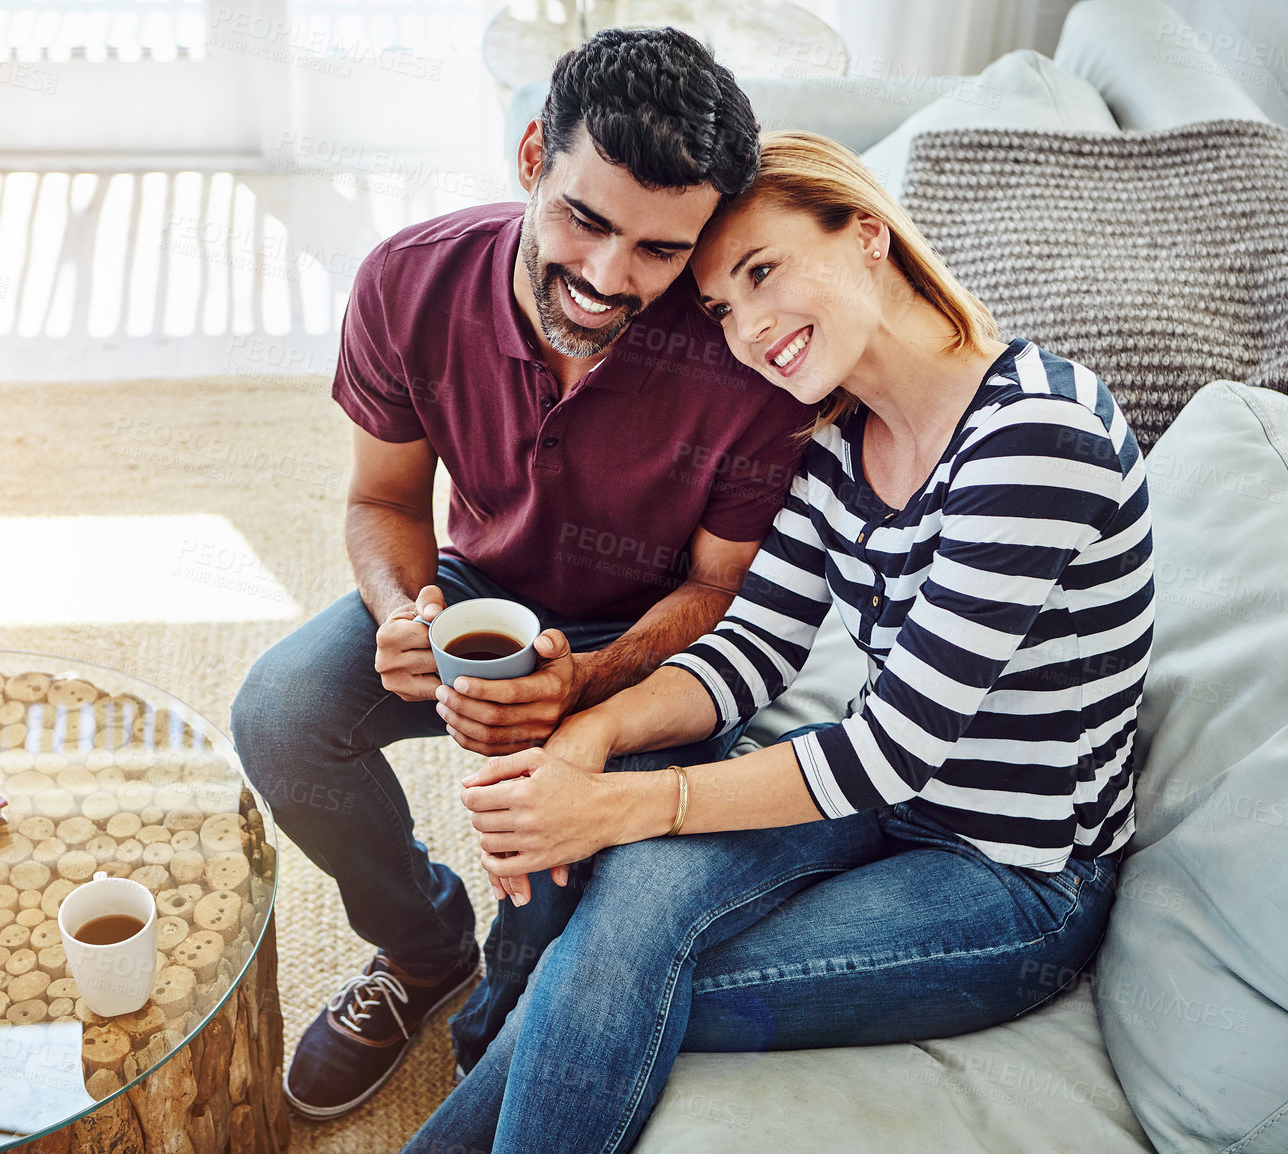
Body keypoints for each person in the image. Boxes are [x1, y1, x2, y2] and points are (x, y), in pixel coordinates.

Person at [405, 130, 1156, 1154]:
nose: (750, 330)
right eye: (722, 307)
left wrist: (618, 801)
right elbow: (752, 644)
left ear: (866, 235)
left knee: (613, 976)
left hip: (1014, 877)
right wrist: (590, 729)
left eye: (763, 272)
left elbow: (891, 745)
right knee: (626, 913)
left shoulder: (1037, 439)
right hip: (879, 807)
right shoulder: (839, 432)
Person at [231, 30, 816, 1121]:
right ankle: (421, 944)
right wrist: (405, 609)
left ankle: (508, 1000)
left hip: (652, 642)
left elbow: (721, 592)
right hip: (470, 584)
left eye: (658, 250)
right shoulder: (408, 280)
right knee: (280, 710)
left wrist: (582, 693)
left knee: (559, 867)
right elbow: (381, 501)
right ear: (532, 153)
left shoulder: (745, 360)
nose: (605, 280)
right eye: (585, 219)